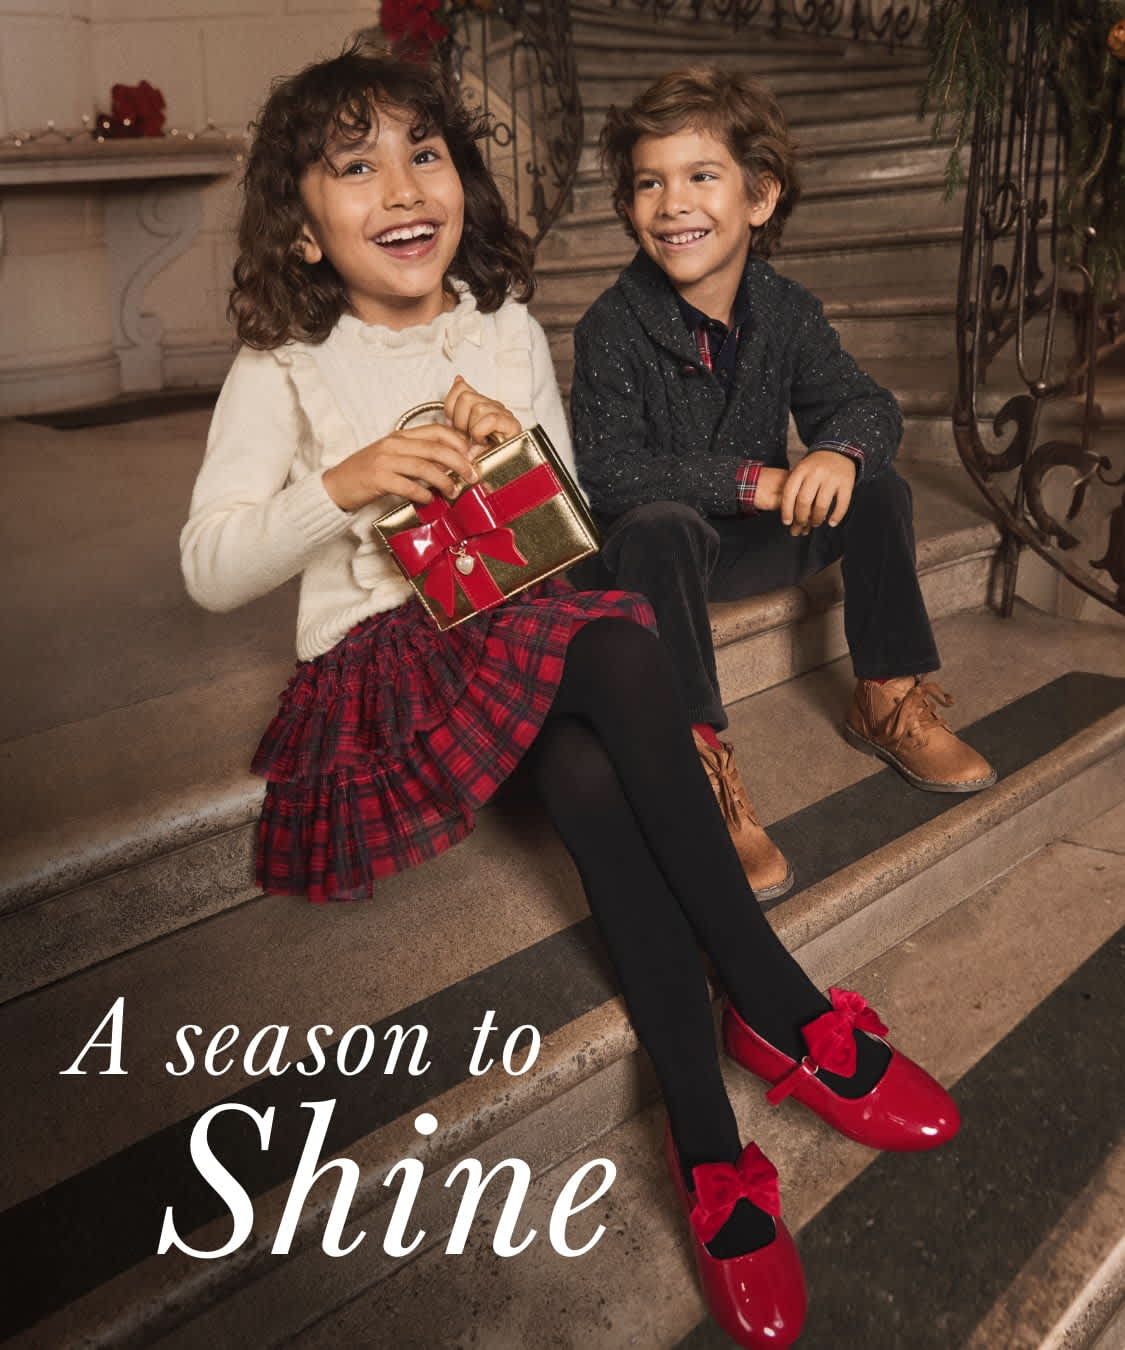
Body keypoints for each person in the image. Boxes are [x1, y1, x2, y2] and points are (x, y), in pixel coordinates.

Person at [180, 44, 959, 1349]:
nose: (401, 186)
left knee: (596, 768)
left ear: (460, 181)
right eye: (355, 167)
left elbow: (571, 530)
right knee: (621, 651)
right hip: (391, 653)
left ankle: (710, 1155)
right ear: (302, 230)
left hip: (519, 613)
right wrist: (348, 481)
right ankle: (779, 1004)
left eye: (424, 153)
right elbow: (209, 567)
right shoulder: (285, 366)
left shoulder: (501, 326)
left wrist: (513, 458)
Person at [571, 67, 997, 903]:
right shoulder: (610, 325)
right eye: (649, 184)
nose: (672, 203)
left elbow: (866, 404)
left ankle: (887, 696)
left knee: (877, 487)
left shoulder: (785, 309)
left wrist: (836, 452)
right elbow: (608, 470)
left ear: (759, 197)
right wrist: (749, 482)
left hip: (757, 543)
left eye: (701, 176)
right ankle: (690, 760)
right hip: (661, 561)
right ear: (627, 206)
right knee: (658, 523)